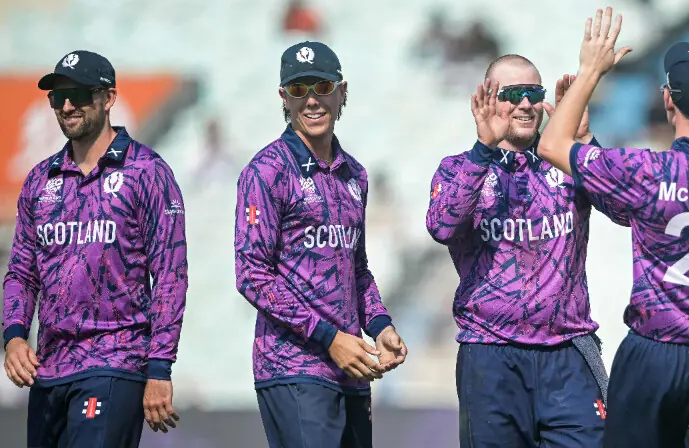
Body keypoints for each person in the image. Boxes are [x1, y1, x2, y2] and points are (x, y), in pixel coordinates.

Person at [538, 7, 689, 447]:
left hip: (655, 355)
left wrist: (590, 71)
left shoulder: (647, 171)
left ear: (669, 99)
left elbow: (552, 143)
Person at [3, 50, 189, 446]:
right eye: (58, 96)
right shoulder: (40, 180)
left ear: (109, 98)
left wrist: (159, 368)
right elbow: (21, 271)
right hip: (49, 369)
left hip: (115, 362)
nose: (67, 105)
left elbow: (171, 275)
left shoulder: (146, 172)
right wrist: (15, 335)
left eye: (80, 94)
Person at [425, 53, 609, 447]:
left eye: (533, 93)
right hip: (491, 355)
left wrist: (584, 145)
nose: (526, 104)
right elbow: (442, 226)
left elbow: (627, 210)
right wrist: (482, 151)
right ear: (488, 100)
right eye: (513, 93)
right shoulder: (458, 167)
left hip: (568, 354)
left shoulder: (567, 164)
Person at [234, 41, 408, 448]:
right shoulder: (267, 171)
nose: (311, 100)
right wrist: (330, 337)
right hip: (293, 366)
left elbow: (356, 268)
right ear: (283, 97)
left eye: (321, 87)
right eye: (298, 90)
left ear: (341, 90)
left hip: (352, 369)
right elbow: (252, 275)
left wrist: (380, 325)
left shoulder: (355, 175)